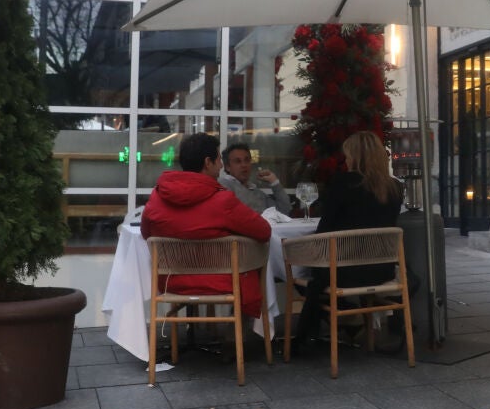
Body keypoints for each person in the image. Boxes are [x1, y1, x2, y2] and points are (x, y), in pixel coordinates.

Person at [141, 133, 272, 316]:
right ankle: (242, 329)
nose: (221, 165)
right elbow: (264, 231)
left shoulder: (157, 197)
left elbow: (146, 233)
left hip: (171, 281)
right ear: (208, 162)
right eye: (218, 159)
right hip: (221, 282)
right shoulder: (223, 201)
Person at [295, 131, 404, 349]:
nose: (346, 160)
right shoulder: (395, 187)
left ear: (354, 156)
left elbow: (325, 231)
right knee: (319, 272)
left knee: (300, 271)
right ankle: (350, 322)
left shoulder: (343, 183)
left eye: (348, 155)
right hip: (381, 270)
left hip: (344, 272)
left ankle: (340, 322)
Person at [218, 143, 292, 215]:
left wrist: (274, 182)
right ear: (227, 167)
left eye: (247, 160)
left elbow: (284, 211)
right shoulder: (224, 184)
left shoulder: (257, 192)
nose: (244, 165)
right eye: (238, 161)